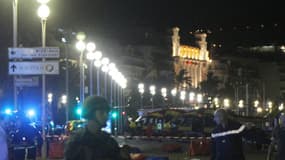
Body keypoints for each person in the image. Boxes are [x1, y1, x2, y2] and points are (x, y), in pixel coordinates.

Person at [64, 96, 131, 160]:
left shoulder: (108, 141)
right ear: (90, 114)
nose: (106, 116)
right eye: (101, 113)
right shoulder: (77, 141)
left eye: (107, 112)